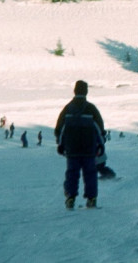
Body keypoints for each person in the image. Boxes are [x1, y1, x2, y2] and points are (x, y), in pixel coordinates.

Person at [54, 80, 106, 210]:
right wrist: (101, 145)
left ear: (75, 91)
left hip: (72, 149)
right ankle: (91, 199)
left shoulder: (68, 108)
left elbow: (60, 128)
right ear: (86, 91)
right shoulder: (91, 109)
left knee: (72, 173)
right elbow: (99, 129)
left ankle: (70, 198)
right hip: (89, 149)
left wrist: (61, 144)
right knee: (90, 173)